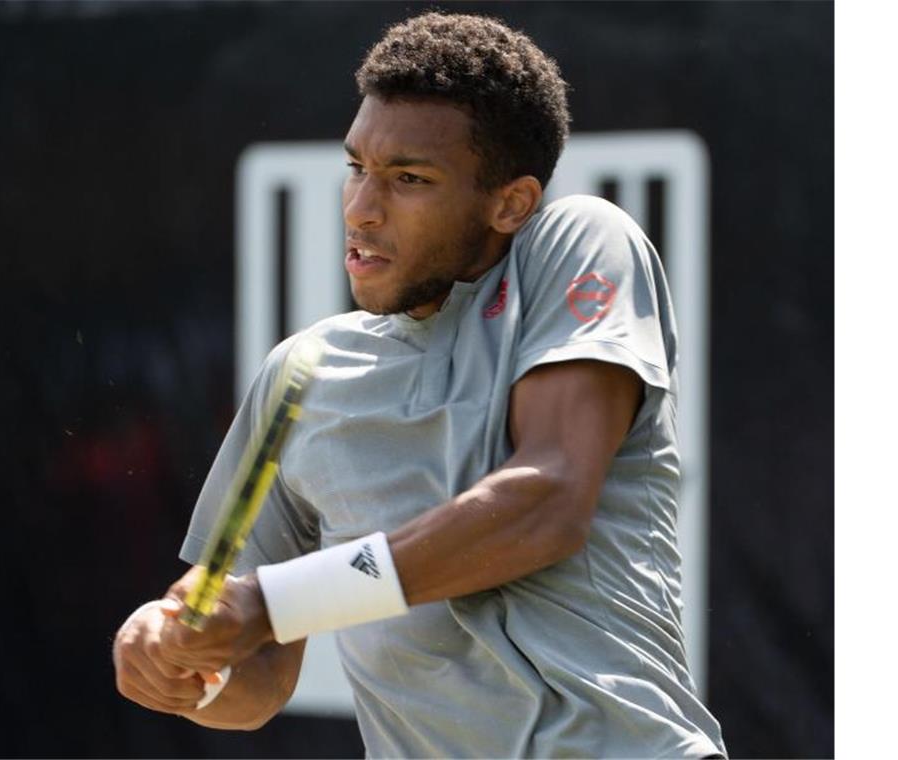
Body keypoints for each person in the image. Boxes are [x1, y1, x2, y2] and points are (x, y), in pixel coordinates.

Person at [113, 11, 727, 758]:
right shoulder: (303, 373)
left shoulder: (578, 244)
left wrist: (274, 601)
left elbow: (548, 503)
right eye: (356, 169)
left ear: (512, 203)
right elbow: (258, 682)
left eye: (409, 179)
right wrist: (182, 665)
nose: (361, 210)